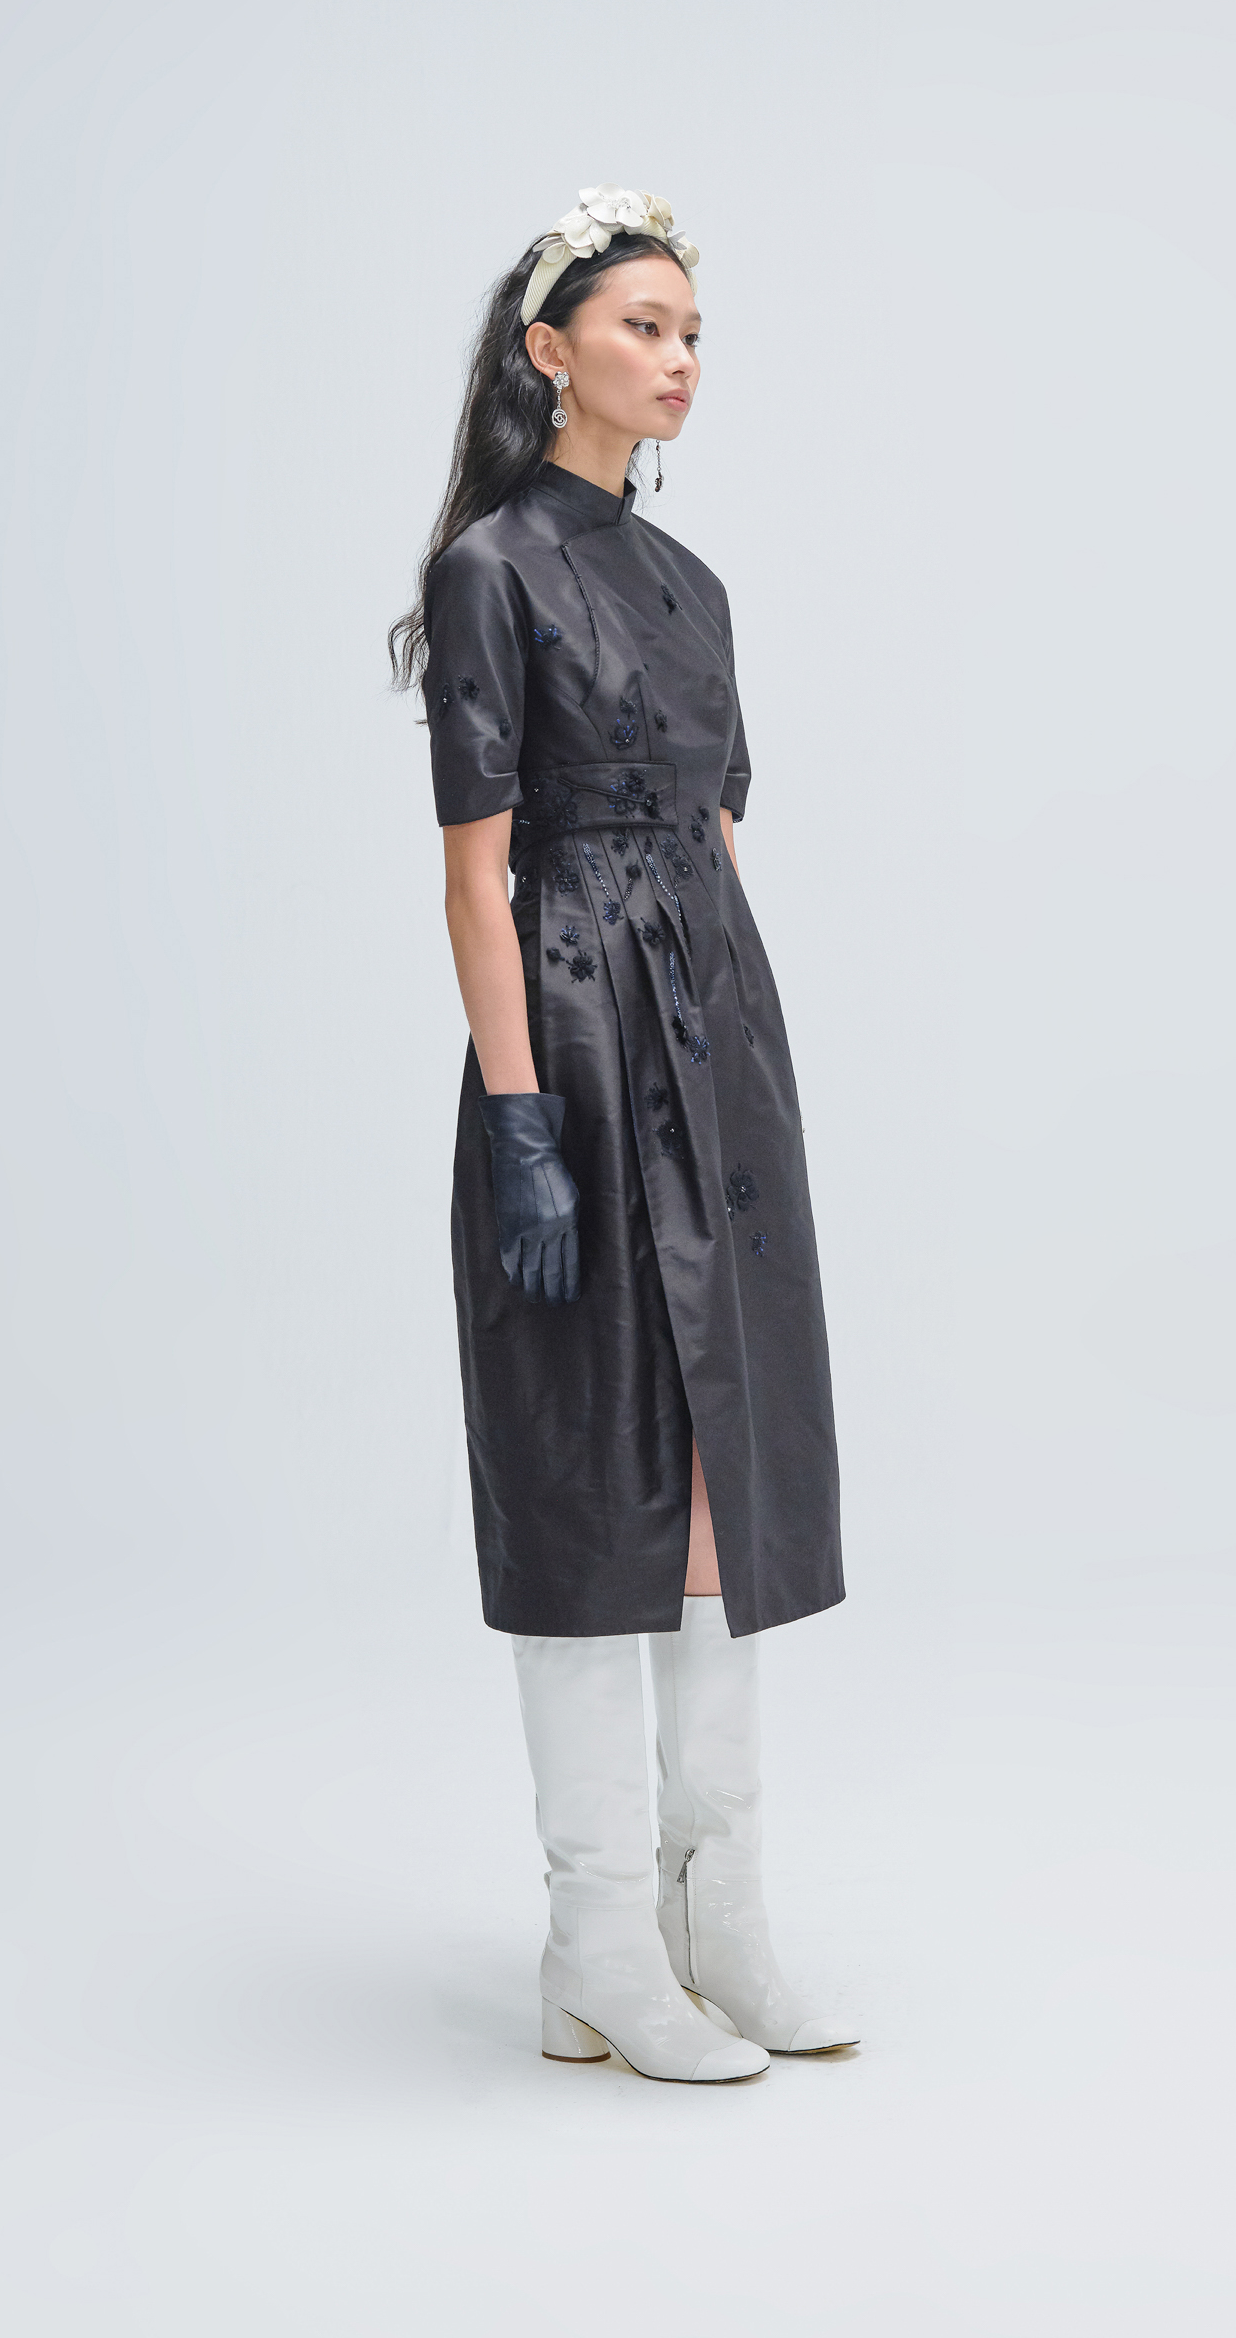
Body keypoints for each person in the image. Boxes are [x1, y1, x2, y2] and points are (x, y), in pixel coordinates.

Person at [390, 186, 858, 2083]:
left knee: (728, 1474)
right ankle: (595, 1939)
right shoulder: (490, 570)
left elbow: (718, 840)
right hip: (574, 1045)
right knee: (595, 1469)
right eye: (643, 326)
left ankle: (713, 1910)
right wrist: (522, 1115)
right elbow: (474, 879)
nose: (678, 359)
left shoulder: (695, 585)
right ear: (549, 350)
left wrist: (743, 1057)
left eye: (693, 333)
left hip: (716, 1047)